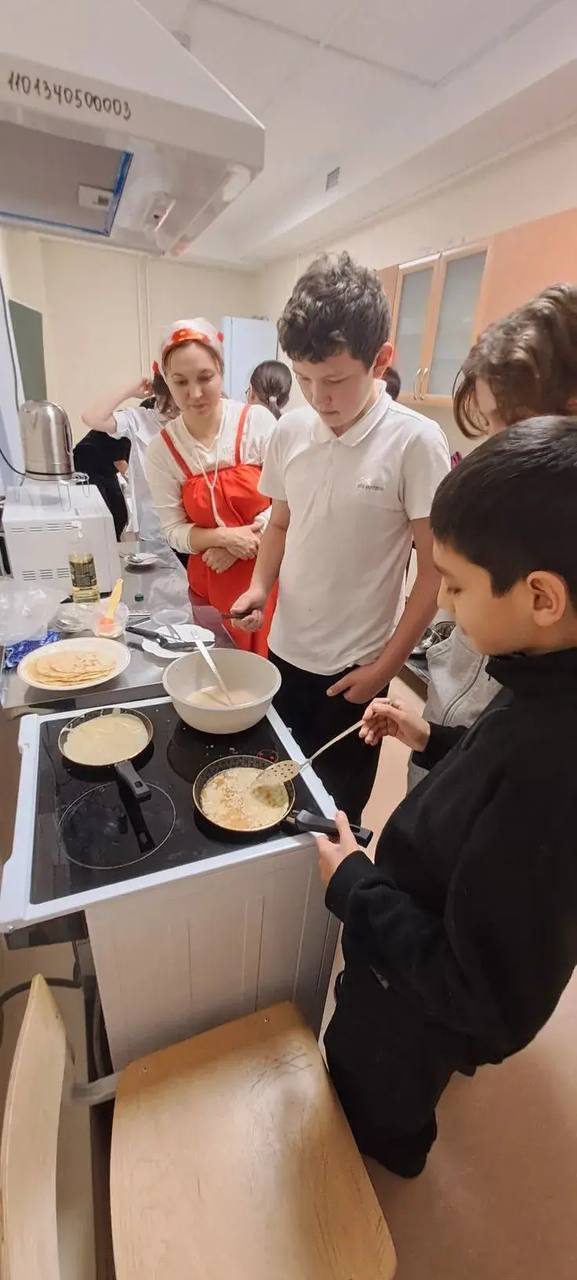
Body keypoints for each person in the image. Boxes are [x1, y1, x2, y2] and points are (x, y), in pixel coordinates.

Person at [316, 417, 577, 1178]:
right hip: (416, 945)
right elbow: (493, 771)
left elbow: (479, 993)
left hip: (416, 993)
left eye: (455, 586)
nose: (443, 606)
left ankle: (387, 1153)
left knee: (375, 1101)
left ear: (540, 595)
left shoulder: (551, 768)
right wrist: (429, 737)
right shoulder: (542, 674)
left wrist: (354, 886)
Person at [232, 253, 450, 823]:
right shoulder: (290, 431)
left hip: (356, 670)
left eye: (334, 380)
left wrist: (384, 670)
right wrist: (259, 587)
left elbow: (434, 573)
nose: (317, 397)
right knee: (273, 797)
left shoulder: (415, 442)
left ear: (381, 361)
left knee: (335, 816)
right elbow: (281, 523)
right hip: (285, 650)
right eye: (303, 379)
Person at [409, 283, 577, 787]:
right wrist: (432, 737)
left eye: (515, 425)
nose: (497, 448)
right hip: (453, 738)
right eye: (490, 426)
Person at [145, 318, 277, 654]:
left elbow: (288, 503)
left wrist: (243, 543)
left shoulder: (257, 423)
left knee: (271, 670)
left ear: (221, 369)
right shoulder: (162, 451)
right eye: (180, 382)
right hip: (211, 580)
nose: (195, 393)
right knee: (219, 667)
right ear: (166, 380)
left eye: (205, 377)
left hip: (271, 574)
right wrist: (224, 539)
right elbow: (173, 530)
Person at [81, 367, 178, 544]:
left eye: (177, 407)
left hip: (192, 530)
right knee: (116, 516)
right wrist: (130, 390)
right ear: (157, 396)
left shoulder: (196, 420)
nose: (173, 413)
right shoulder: (139, 420)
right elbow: (92, 417)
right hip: (154, 529)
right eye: (168, 406)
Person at [73, 430, 131, 540]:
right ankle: (103, 543)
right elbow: (120, 463)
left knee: (120, 514)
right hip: (87, 465)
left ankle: (113, 541)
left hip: (106, 467)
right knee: (103, 513)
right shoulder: (124, 428)